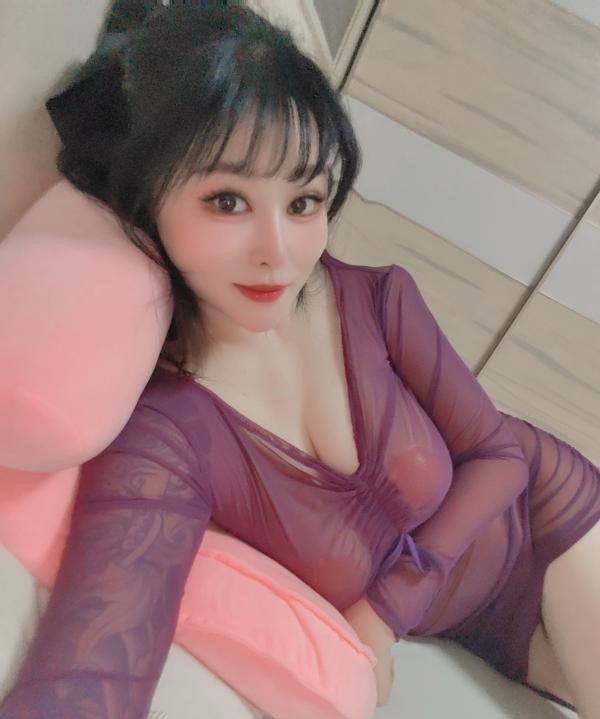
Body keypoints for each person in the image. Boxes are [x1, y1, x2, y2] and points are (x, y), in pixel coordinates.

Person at [1, 1, 599, 717]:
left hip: (546, 524)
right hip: (475, 626)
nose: (278, 252)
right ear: (148, 199)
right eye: (228, 201)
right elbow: (95, 665)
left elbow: (501, 456)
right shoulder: (167, 434)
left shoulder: (376, 299)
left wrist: (380, 617)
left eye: (305, 200)